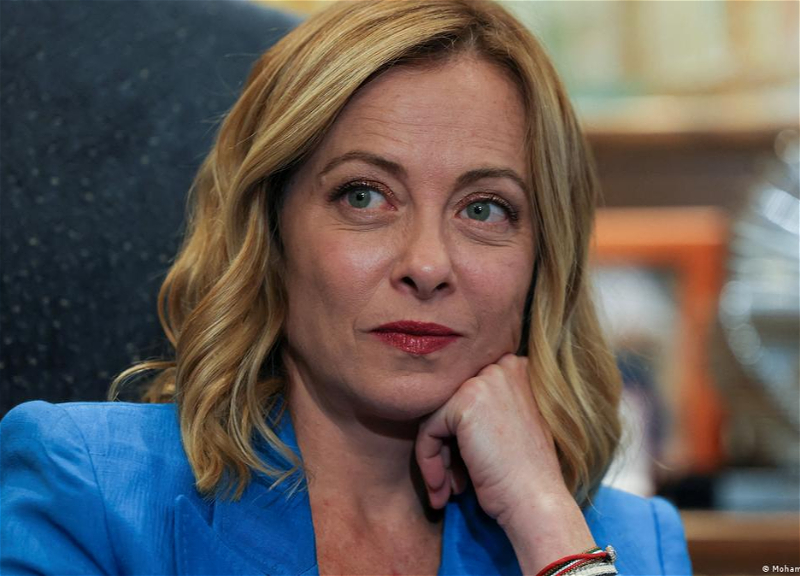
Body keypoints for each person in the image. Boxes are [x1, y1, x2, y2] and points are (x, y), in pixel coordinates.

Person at [0, 1, 693, 575]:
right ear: (270, 231)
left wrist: (545, 521)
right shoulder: (89, 490)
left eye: (484, 209)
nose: (427, 264)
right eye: (365, 196)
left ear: (543, 260)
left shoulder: (630, 543)